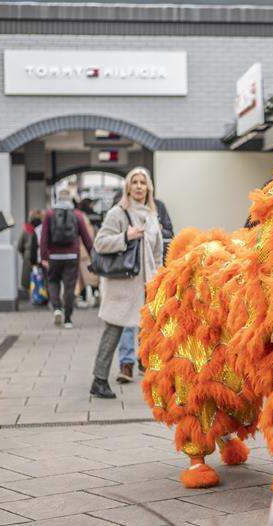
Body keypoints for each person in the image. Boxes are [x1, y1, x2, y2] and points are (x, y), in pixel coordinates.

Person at [91, 167, 163, 398]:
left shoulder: (152, 216)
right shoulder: (118, 213)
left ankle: (156, 379)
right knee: (113, 330)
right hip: (122, 285)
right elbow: (100, 243)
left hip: (146, 285)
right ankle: (99, 379)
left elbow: (158, 251)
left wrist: (159, 277)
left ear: (149, 188)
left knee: (154, 332)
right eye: (135, 182)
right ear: (128, 187)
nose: (139, 186)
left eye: (143, 182)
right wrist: (125, 237)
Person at [40, 190, 93, 328]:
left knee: (53, 281)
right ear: (70, 200)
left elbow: (44, 237)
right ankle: (68, 318)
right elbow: (86, 237)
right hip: (72, 256)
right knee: (69, 286)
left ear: (57, 199)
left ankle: (57, 308)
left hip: (54, 256)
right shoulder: (77, 215)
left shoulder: (50, 214)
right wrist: (93, 255)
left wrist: (44, 256)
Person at [75, 199, 99, 309]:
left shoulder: (79, 217)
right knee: (92, 275)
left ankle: (83, 297)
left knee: (81, 277)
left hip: (80, 250)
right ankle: (95, 293)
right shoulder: (92, 217)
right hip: (89, 249)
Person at [16, 209, 42, 297]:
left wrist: (24, 253)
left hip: (28, 254)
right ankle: (42, 295)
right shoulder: (43, 227)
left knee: (29, 277)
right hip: (40, 254)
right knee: (41, 276)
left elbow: (19, 245)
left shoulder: (26, 229)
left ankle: (32, 297)